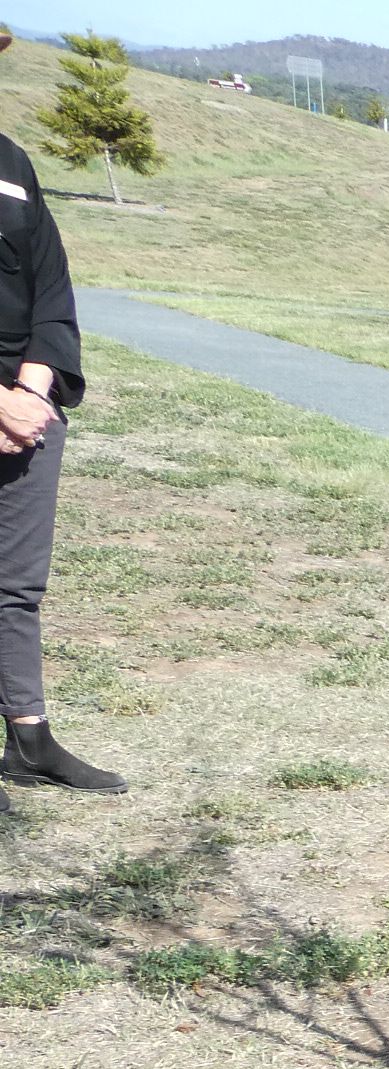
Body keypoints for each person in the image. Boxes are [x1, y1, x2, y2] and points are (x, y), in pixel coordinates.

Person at [0, 120, 122, 816]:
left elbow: (53, 285)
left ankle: (29, 740)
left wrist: (31, 390)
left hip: (28, 403)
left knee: (15, 586)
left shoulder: (12, 163)